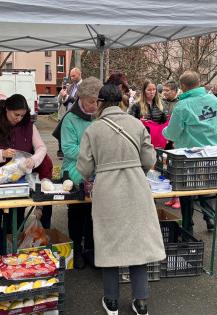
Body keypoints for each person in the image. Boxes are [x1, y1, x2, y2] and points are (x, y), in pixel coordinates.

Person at [76, 83, 165, 315]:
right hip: (136, 187)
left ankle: (112, 301)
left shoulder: (93, 130)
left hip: (107, 191)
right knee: (138, 243)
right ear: (122, 101)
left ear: (99, 103)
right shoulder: (136, 124)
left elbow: (84, 168)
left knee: (109, 243)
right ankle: (141, 302)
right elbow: (148, 159)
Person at [0, 94, 47, 255]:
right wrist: (2, 154)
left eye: (23, 115)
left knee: (16, 220)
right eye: (16, 114)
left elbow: (41, 148)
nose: (19, 118)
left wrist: (33, 160)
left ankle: (13, 257)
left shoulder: (29, 125)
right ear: (7, 109)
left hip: (17, 181)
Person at [162, 71, 217, 232]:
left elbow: (173, 133)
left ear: (182, 86)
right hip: (210, 152)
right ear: (199, 82)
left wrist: (164, 132)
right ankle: (209, 218)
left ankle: (187, 225)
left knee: (186, 191)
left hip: (187, 155)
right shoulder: (214, 100)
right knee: (205, 188)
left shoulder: (182, 106)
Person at [59, 77, 102, 269]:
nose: (95, 106)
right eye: (91, 101)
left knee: (95, 215)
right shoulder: (69, 118)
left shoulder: (99, 117)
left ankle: (91, 250)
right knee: (77, 213)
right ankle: (76, 249)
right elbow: (68, 149)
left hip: (97, 172)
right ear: (81, 98)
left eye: (97, 102)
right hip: (74, 171)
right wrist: (93, 155)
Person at [56, 68, 83, 158]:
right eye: (70, 76)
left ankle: (74, 153)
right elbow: (64, 101)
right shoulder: (71, 86)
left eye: (73, 76)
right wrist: (63, 96)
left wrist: (67, 96)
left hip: (78, 115)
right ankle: (63, 151)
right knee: (63, 133)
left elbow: (79, 100)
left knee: (76, 135)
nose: (71, 78)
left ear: (79, 74)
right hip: (68, 114)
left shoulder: (83, 86)